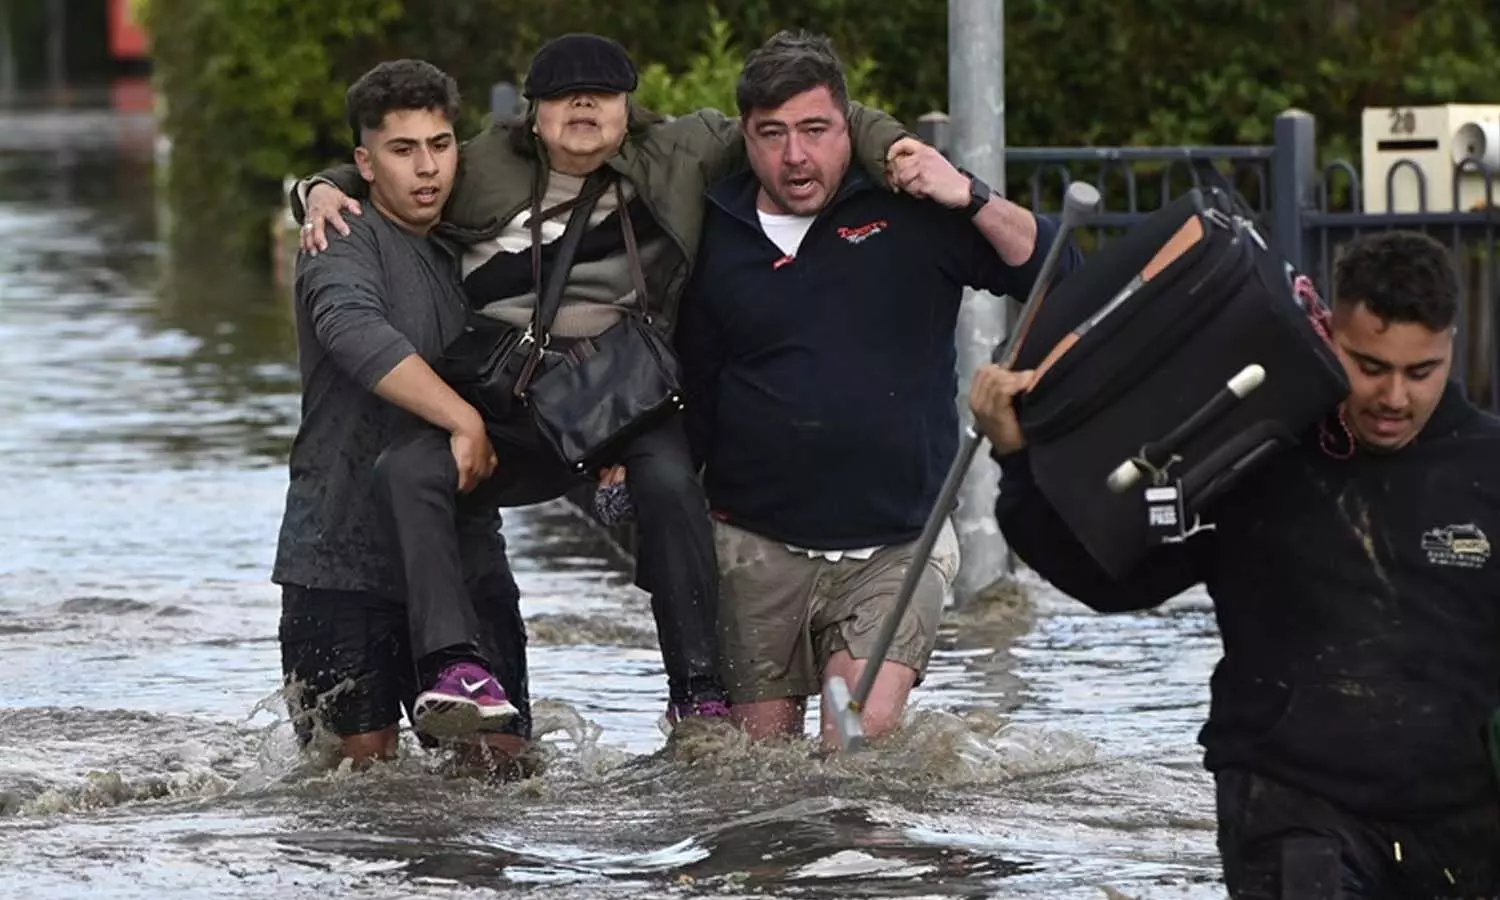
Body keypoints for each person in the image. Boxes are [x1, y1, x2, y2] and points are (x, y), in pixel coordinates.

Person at [289, 33, 919, 730]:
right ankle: (452, 666)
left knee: (672, 482)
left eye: (602, 95)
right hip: (510, 397)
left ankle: (696, 688)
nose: (582, 105)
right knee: (407, 465)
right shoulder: (476, 164)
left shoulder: (681, 149)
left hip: (621, 395)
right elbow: (396, 163)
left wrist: (896, 150)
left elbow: (813, 116)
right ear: (532, 114)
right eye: (563, 96)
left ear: (630, 110)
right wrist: (318, 190)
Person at [974, 230, 1500, 898]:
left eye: (1419, 372)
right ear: (1330, 330)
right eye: (1370, 366)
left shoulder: (1489, 465)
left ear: (1449, 345)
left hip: (1457, 822)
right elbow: (1110, 580)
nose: (1394, 397)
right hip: (1290, 803)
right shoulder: (1256, 447)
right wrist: (1017, 464)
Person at [674, 29, 1083, 749]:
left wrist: (971, 193)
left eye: (815, 130)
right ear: (746, 135)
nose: (795, 155)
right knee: (754, 781)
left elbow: (1055, 266)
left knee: (854, 750)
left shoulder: (911, 208)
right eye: (772, 134)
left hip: (897, 544)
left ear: (848, 126)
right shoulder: (713, 224)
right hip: (753, 546)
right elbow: (696, 382)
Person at [274, 58, 531, 768]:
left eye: (440, 146)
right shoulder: (340, 236)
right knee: (357, 786)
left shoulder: (474, 241)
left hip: (465, 549)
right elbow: (353, 330)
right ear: (365, 161)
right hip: (340, 557)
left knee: (503, 768)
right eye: (402, 150)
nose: (427, 169)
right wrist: (462, 419)